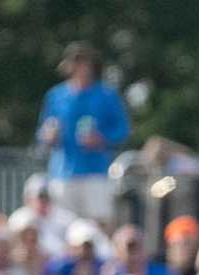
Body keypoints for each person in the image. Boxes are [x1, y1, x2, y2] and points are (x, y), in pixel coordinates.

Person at [35, 42, 129, 224]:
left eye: (84, 61)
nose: (80, 67)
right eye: (75, 62)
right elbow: (42, 130)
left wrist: (102, 139)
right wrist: (48, 136)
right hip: (63, 172)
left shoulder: (106, 95)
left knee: (99, 224)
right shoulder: (56, 95)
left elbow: (122, 130)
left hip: (96, 171)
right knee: (64, 226)